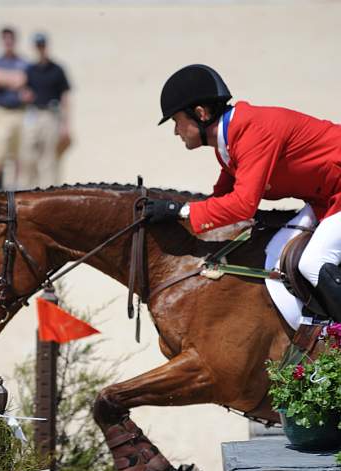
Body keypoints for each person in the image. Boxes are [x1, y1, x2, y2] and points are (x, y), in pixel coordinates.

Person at [145, 63, 341, 323]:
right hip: (325, 200)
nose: (175, 130)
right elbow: (219, 200)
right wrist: (172, 215)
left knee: (312, 263)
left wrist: (180, 210)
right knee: (276, 253)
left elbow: (242, 205)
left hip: (334, 195)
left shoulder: (252, 131)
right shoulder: (229, 141)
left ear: (201, 113)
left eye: (176, 121)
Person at [19, 32, 71, 188]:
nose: (40, 48)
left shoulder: (57, 70)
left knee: (49, 157)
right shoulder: (30, 69)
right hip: (33, 114)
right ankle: (28, 190)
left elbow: (65, 97)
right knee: (28, 154)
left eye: (42, 45)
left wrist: (65, 124)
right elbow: (23, 90)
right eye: (38, 45)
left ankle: (50, 190)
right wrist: (24, 94)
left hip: (51, 115)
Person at [0, 27, 28, 188]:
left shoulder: (24, 62)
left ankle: (16, 187)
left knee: (19, 153)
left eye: (11, 39)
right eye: (5, 39)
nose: (8, 42)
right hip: (0, 112)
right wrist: (14, 80)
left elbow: (23, 80)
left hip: (19, 112)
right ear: (2, 41)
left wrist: (4, 78)